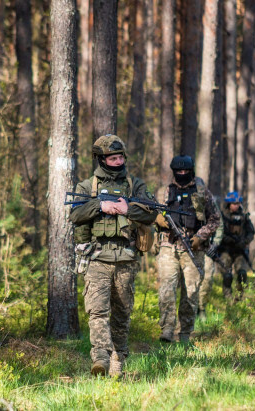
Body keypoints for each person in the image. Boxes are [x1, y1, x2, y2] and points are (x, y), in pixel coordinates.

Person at [69, 134, 157, 378]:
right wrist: (101, 206)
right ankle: (100, 357)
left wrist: (130, 209)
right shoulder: (87, 187)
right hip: (97, 257)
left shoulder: (135, 185)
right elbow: (74, 215)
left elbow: (152, 212)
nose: (117, 162)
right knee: (97, 311)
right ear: (101, 159)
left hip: (127, 259)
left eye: (120, 157)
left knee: (122, 313)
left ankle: (119, 358)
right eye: (112, 158)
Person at [155, 155, 221, 343]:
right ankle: (167, 330)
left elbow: (215, 219)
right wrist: (157, 219)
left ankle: (185, 334)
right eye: (179, 171)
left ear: (191, 171)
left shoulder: (202, 192)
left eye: (185, 171)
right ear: (174, 171)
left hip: (194, 248)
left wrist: (199, 237)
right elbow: (152, 213)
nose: (182, 174)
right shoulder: (164, 192)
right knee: (166, 290)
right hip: (168, 246)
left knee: (190, 293)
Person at [215, 191, 255, 300]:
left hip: (239, 251)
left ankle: (239, 298)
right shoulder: (222, 216)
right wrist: (228, 240)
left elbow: (251, 232)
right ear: (229, 204)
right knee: (227, 275)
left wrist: (245, 241)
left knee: (242, 274)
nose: (236, 206)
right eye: (234, 203)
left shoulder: (244, 216)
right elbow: (218, 232)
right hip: (225, 250)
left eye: (238, 203)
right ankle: (228, 299)